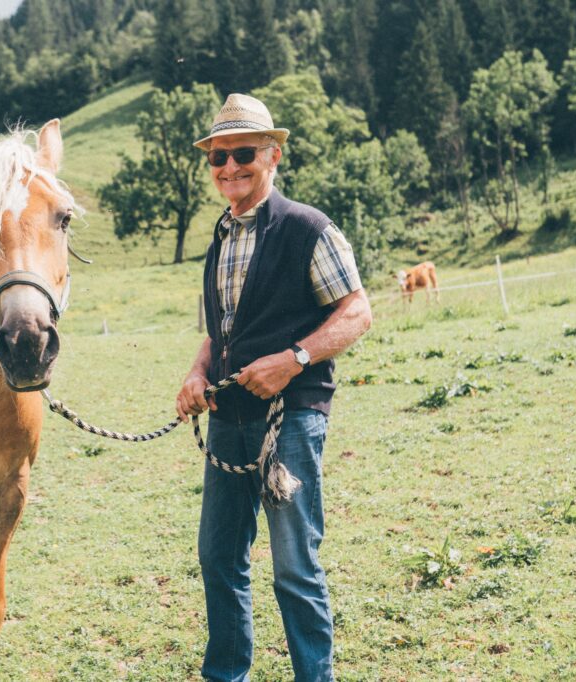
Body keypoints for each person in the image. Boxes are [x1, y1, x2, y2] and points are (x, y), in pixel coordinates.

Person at [175, 94, 372, 681]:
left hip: (291, 416)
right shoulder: (218, 242)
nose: (229, 167)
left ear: (273, 154)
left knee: (293, 565)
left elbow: (358, 311)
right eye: (218, 157)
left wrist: (294, 359)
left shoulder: (309, 228)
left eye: (242, 153)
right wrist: (195, 373)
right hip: (227, 418)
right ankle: (226, 674)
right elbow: (221, 333)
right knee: (217, 557)